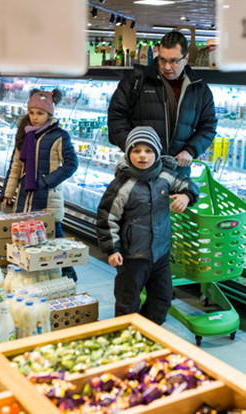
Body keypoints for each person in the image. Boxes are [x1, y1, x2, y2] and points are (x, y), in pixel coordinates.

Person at [96, 126, 199, 325]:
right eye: (136, 150)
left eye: (148, 150)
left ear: (157, 153)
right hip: (132, 256)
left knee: (163, 298)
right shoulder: (122, 185)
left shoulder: (166, 176)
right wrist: (111, 250)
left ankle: (149, 332)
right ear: (128, 154)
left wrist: (186, 197)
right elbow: (107, 219)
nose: (142, 156)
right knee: (128, 301)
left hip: (160, 255)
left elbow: (190, 185)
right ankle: (127, 337)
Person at [108, 31, 217, 178]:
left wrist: (191, 150)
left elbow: (208, 126)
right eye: (162, 60)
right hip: (139, 172)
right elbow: (116, 117)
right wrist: (134, 149)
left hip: (177, 174)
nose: (166, 67)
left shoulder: (199, 89)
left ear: (186, 58)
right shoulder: (136, 80)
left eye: (173, 61)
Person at [2, 89, 79, 281]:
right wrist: (8, 193)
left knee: (54, 234)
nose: (35, 118)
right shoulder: (24, 135)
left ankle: (68, 269)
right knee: (23, 232)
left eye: (40, 113)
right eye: (32, 113)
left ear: (49, 114)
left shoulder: (60, 136)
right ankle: (30, 268)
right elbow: (15, 167)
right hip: (24, 196)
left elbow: (71, 164)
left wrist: (48, 181)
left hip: (48, 196)